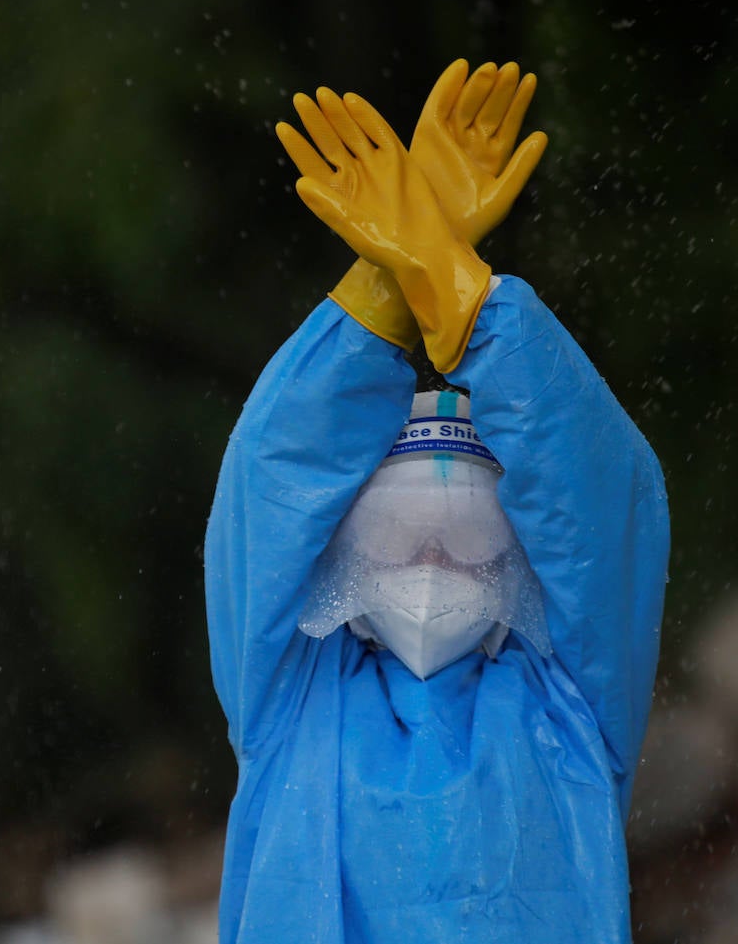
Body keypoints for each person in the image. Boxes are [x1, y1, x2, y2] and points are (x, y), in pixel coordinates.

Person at [204, 59, 670, 944]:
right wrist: (389, 288)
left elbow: (602, 498)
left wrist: (455, 288)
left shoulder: (572, 709)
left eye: (464, 541)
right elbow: (268, 481)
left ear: (519, 553)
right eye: (397, 538)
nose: (430, 568)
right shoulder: (292, 700)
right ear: (338, 551)